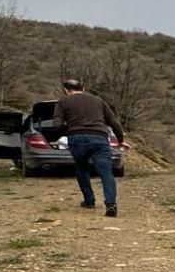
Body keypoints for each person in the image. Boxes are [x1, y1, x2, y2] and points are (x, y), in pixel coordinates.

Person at [53, 78, 124, 216]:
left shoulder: (62, 102)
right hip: (99, 138)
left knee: (81, 168)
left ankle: (89, 201)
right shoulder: (98, 101)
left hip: (77, 138)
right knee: (106, 172)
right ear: (83, 89)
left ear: (66, 91)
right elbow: (114, 123)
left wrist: (67, 132)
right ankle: (111, 205)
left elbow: (57, 125)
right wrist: (120, 140)